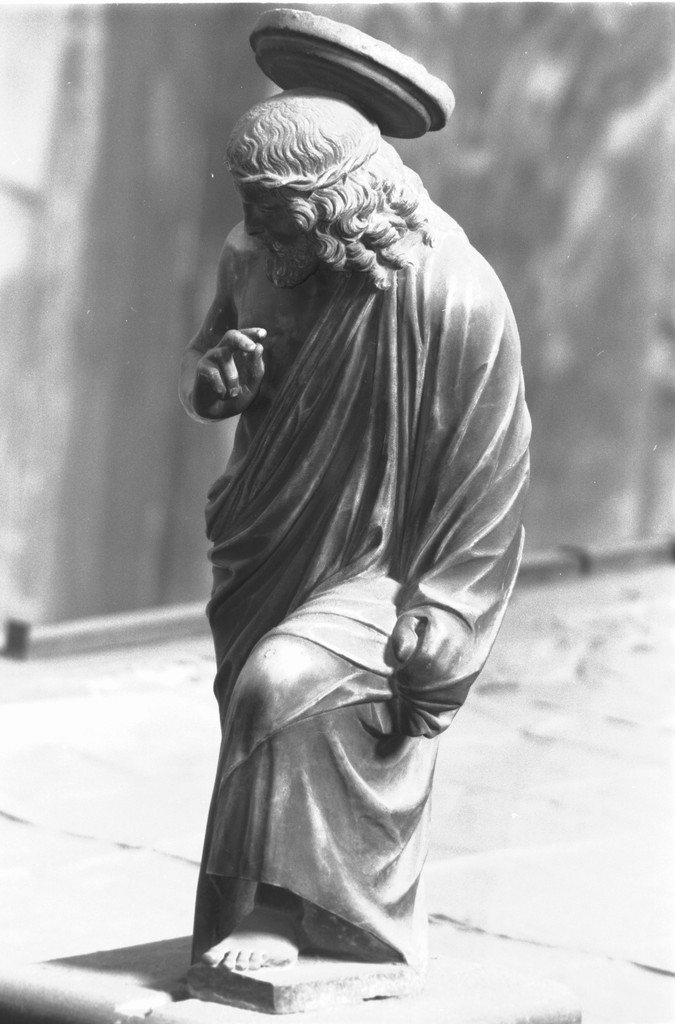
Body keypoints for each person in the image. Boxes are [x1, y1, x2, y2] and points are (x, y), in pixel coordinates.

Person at [180, 89, 530, 975]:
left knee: (281, 683)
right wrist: (219, 386)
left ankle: (288, 909)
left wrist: (448, 610)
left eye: (274, 211)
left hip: (387, 567)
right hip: (269, 537)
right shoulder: (253, 253)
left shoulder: (452, 295)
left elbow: (489, 474)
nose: (255, 228)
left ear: (332, 202)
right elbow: (211, 365)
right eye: (249, 205)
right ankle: (284, 904)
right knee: (252, 706)